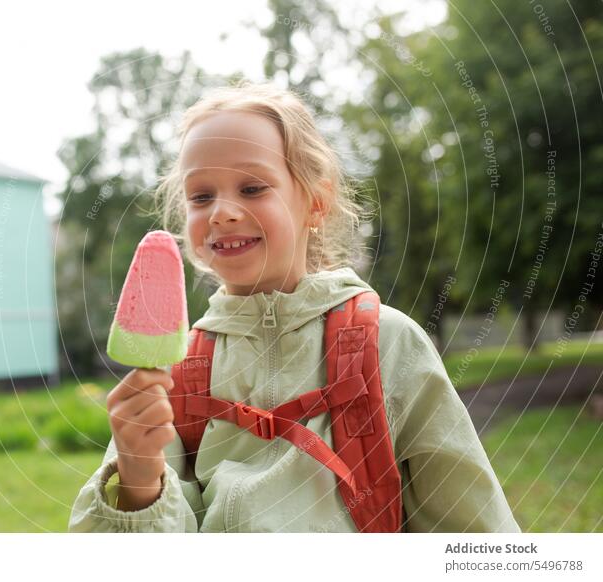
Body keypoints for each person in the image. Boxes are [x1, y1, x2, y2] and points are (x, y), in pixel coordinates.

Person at [68, 82, 520, 533]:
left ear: (316, 203)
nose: (222, 212)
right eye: (201, 196)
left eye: (252, 187)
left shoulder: (387, 341)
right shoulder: (177, 371)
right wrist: (139, 477)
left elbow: (472, 523)